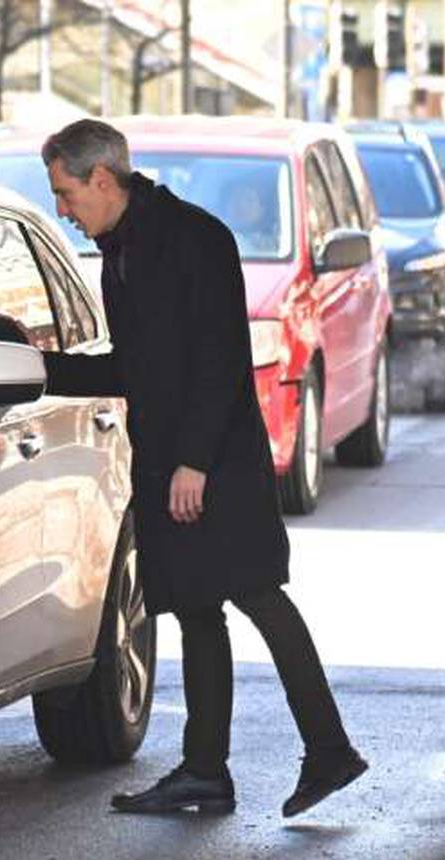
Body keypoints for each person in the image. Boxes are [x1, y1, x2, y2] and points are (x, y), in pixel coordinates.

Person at [39, 119, 367, 818]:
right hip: (167, 464)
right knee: (195, 610)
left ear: (103, 178)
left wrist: (193, 463)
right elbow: (136, 366)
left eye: (67, 192)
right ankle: (204, 770)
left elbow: (221, 360)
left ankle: (330, 749)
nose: (63, 209)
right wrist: (39, 369)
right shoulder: (118, 251)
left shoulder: (194, 238)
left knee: (259, 596)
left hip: (216, 463)